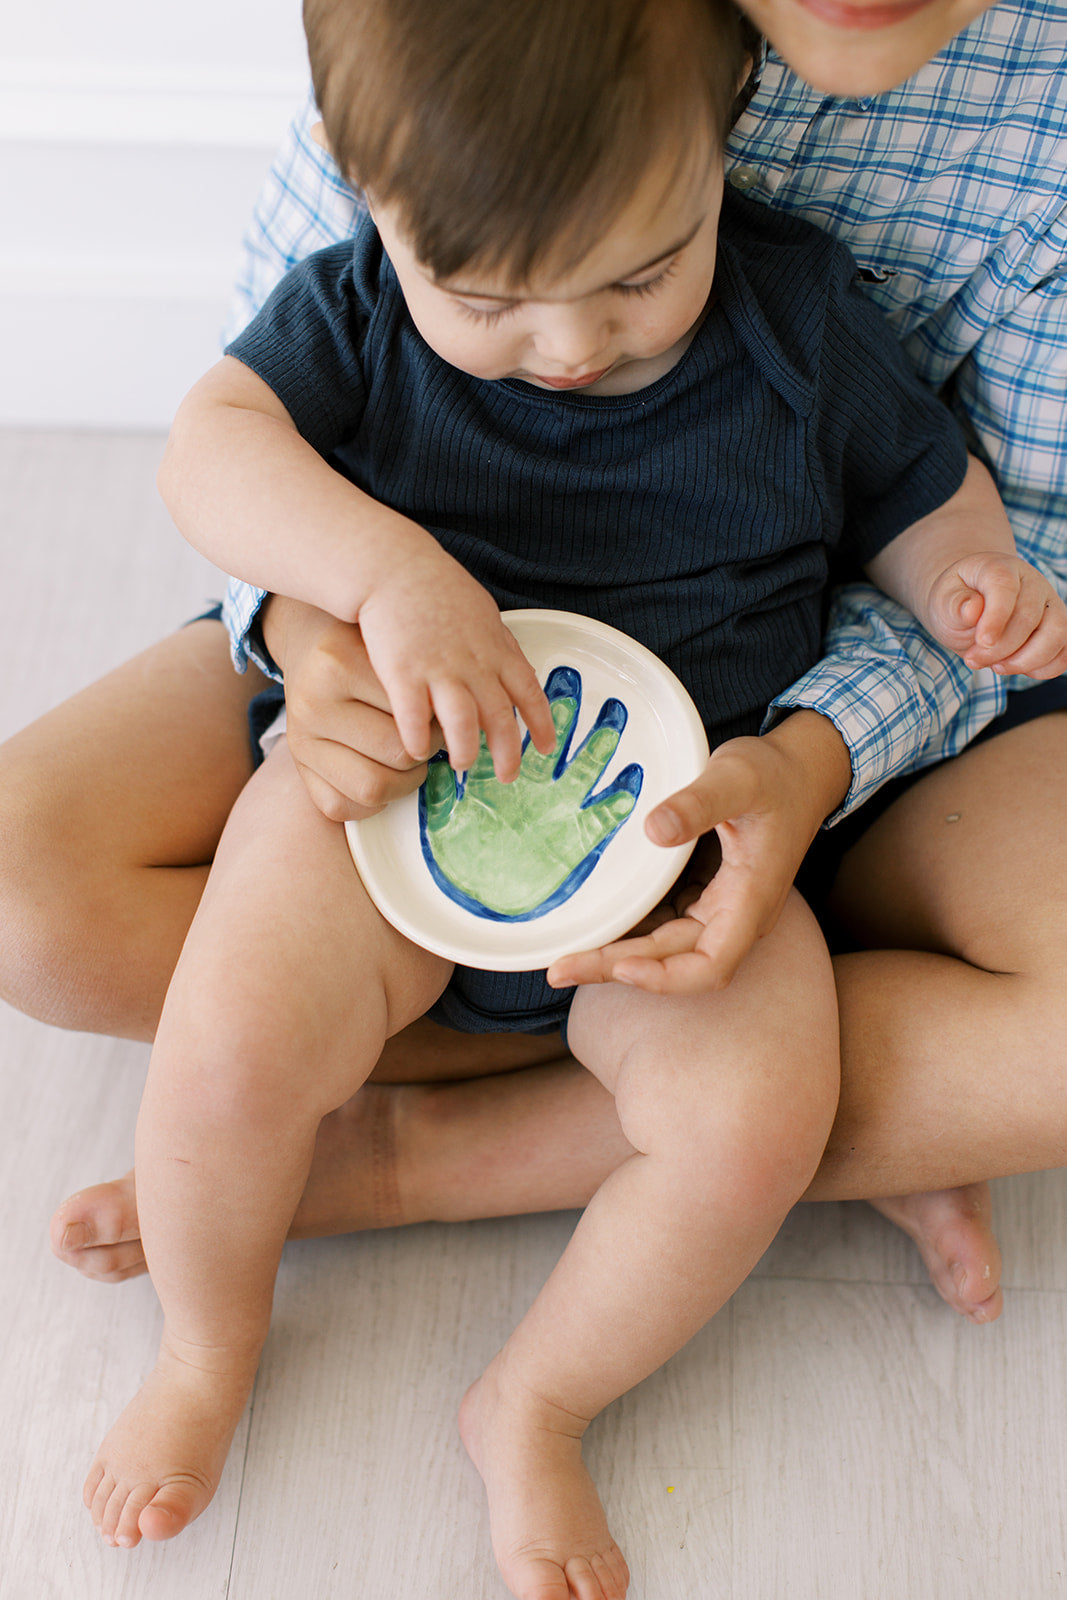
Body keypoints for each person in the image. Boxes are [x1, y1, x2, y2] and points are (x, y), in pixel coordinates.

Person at [72, 2, 1067, 1593]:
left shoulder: (799, 313)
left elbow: (928, 495)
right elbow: (213, 449)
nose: (573, 344)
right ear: (368, 197)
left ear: (721, 136)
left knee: (751, 1121)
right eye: (492, 302)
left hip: (677, 857)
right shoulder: (358, 309)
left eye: (639, 273)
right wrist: (377, 577)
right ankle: (205, 1348)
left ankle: (532, 1400)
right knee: (227, 1048)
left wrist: (974, 587)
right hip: (388, 804)